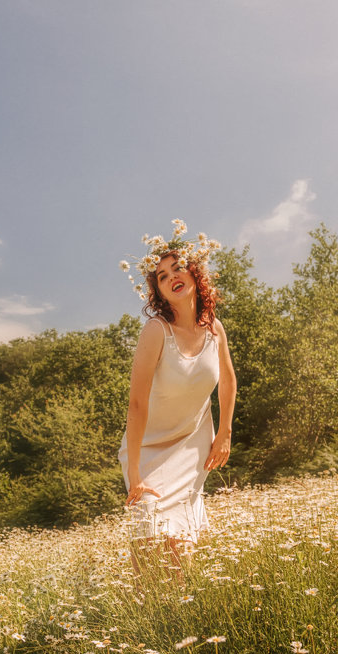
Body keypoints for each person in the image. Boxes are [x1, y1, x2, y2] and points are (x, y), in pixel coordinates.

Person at [117, 220, 237, 585]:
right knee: (149, 531)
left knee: (180, 546)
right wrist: (135, 469)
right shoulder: (157, 331)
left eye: (177, 268)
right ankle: (144, 612)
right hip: (148, 448)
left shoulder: (214, 328)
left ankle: (181, 614)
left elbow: (228, 380)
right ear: (158, 291)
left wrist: (225, 433)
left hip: (191, 444)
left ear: (193, 273)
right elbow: (137, 403)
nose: (172, 277)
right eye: (162, 276)